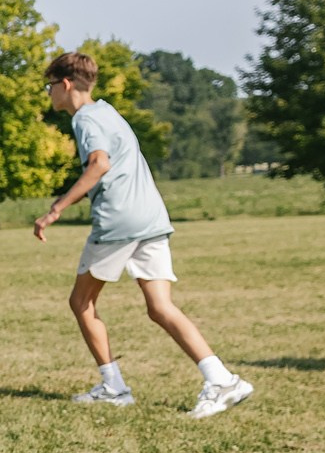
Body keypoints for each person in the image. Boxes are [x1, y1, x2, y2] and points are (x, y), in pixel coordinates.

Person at [32, 51, 254, 417]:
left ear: (66, 84)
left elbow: (99, 164)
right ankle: (222, 379)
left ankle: (113, 388)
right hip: (151, 217)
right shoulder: (108, 111)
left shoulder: (85, 119)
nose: (49, 93)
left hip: (119, 222)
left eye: (50, 86)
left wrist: (56, 208)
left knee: (81, 302)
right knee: (160, 307)